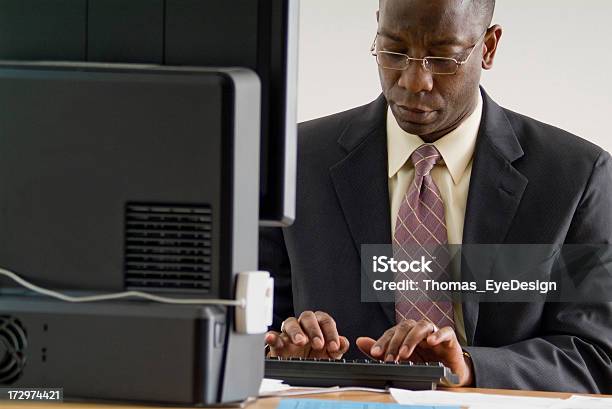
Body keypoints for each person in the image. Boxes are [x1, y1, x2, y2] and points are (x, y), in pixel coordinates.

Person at [260, 0, 612, 393]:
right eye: (394, 51)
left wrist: (470, 368)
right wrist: (285, 353)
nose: (414, 81)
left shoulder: (574, 176)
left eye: (443, 58)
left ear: (489, 47)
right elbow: (248, 330)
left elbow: (594, 354)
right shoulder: (293, 161)